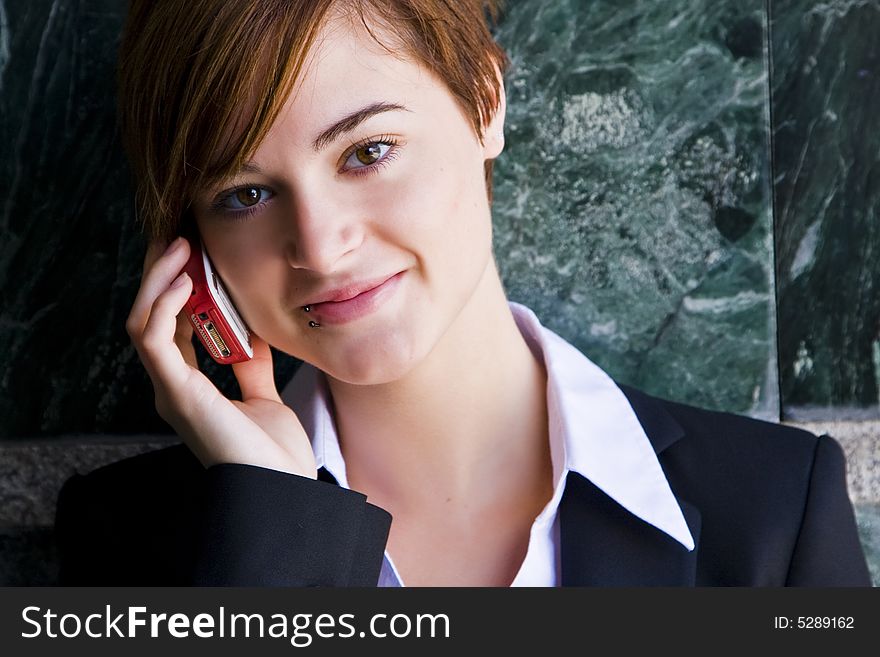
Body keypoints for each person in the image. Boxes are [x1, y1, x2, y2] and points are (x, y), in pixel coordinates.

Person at [55, 0, 871, 587]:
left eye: (368, 150)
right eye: (245, 194)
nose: (319, 244)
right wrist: (274, 527)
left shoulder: (772, 512)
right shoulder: (130, 541)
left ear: (485, 101)